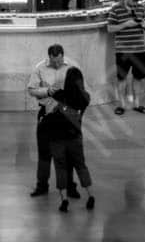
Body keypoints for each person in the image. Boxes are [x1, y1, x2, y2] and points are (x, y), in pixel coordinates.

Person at [26, 43, 77, 196]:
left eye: (59, 61)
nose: (56, 64)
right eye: (53, 61)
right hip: (46, 113)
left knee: (68, 152)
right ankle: (42, 186)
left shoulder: (72, 67)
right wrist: (47, 91)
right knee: (44, 151)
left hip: (66, 114)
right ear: (49, 57)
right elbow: (31, 89)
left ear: (63, 55)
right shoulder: (39, 68)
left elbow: (82, 89)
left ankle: (70, 186)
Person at [44, 65, 94, 212]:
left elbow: (49, 104)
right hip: (75, 137)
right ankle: (91, 196)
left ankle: (64, 200)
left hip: (57, 138)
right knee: (81, 166)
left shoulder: (59, 95)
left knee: (61, 168)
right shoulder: (85, 99)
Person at [106, 0, 145, 113]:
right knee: (122, 78)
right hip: (122, 50)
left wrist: (144, 25)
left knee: (138, 78)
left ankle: (137, 104)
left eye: (137, 1)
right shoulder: (116, 9)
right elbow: (110, 29)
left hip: (139, 49)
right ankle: (121, 105)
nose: (135, 3)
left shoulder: (141, 8)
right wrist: (125, 24)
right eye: (133, 0)